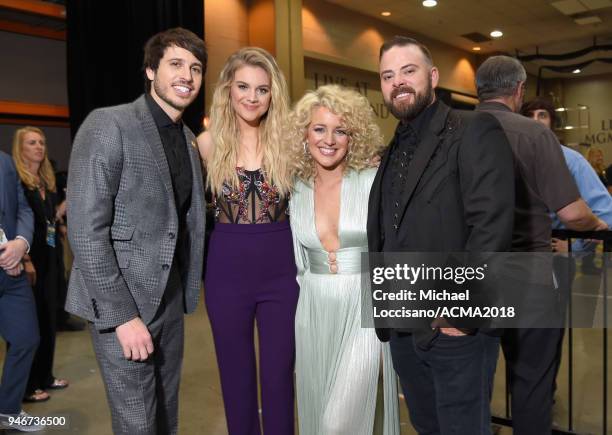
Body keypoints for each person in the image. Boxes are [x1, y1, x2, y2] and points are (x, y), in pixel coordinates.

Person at [368, 36, 516, 434]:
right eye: (387, 75)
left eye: (408, 71)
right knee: (427, 426)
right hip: (404, 325)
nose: (398, 82)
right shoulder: (394, 146)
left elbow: (493, 225)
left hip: (456, 330)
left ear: (432, 76)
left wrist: (459, 313)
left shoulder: (473, 129)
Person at [66, 28, 206, 435]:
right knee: (137, 423)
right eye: (176, 64)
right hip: (121, 303)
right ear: (150, 70)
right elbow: (87, 230)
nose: (187, 76)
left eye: (196, 68)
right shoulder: (109, 124)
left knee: (166, 415)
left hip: (170, 299)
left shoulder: (189, 141)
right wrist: (122, 316)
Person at [475, 55, 608, 435]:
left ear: (478, 90)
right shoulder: (533, 135)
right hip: (528, 277)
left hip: (470, 273)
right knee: (532, 382)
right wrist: (595, 225)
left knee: (473, 377)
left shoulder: (452, 132)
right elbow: (573, 214)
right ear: (518, 91)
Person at [196, 47, 298, 435]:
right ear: (227, 89)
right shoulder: (205, 145)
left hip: (282, 273)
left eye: (262, 89)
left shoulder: (291, 144)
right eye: (243, 86)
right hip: (226, 272)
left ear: (274, 94)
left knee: (277, 377)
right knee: (235, 377)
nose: (252, 97)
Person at [288, 84, 399, 435]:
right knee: (319, 411)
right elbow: (299, 263)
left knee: (340, 422)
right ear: (304, 134)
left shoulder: (372, 180)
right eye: (319, 128)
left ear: (355, 137)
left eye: (341, 131)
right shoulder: (296, 189)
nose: (329, 139)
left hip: (366, 306)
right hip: (314, 311)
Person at [11, 127, 69, 403]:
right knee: (28, 326)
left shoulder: (45, 182)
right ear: (20, 148)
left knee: (48, 319)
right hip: (27, 261)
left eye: (42, 142)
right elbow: (11, 225)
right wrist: (25, 259)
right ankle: (25, 385)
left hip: (50, 259)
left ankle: (45, 376)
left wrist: (59, 225)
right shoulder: (16, 182)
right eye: (32, 143)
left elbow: (47, 221)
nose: (38, 147)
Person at [0, 151, 43, 432]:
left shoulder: (4, 161)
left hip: (11, 271)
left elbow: (23, 209)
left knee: (27, 338)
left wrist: (20, 244)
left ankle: (8, 410)